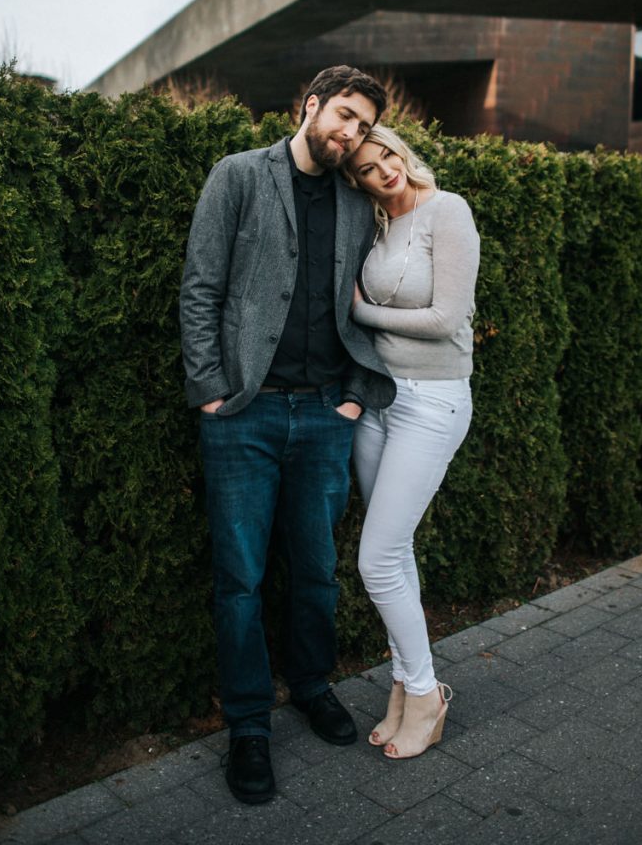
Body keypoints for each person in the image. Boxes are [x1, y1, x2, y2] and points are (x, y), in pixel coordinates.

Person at [180, 66, 396, 805]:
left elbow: (368, 302)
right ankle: (247, 726)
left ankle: (310, 685)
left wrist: (354, 397)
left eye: (364, 125)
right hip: (245, 413)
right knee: (240, 579)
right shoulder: (238, 175)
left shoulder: (356, 200)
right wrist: (211, 391)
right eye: (345, 115)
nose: (351, 132)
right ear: (310, 106)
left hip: (326, 414)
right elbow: (201, 286)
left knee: (316, 569)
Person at [343, 125, 480, 759]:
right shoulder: (376, 226)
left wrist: (359, 311)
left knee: (375, 560)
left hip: (432, 401)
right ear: (357, 180)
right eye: (368, 168)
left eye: (387, 156)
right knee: (394, 553)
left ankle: (426, 693)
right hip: (380, 400)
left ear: (401, 151)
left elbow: (446, 319)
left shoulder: (447, 211)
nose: (385, 171)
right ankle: (404, 684)